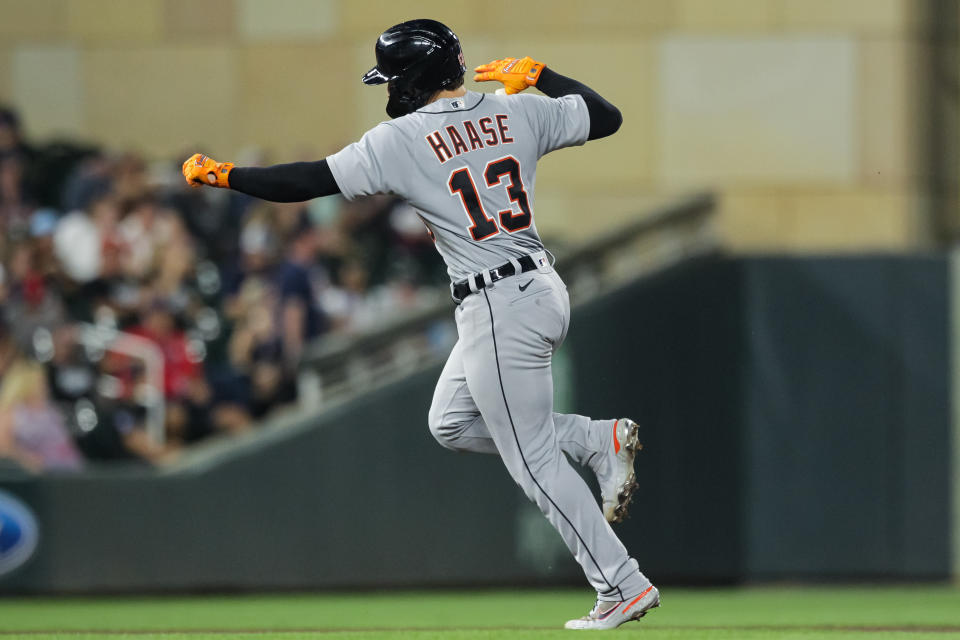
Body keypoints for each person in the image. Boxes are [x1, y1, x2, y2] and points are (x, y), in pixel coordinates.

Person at [182, 19, 658, 630]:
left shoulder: (401, 139)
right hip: (537, 286)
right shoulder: (516, 111)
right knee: (451, 423)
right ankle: (595, 440)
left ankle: (622, 584)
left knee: (534, 461)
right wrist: (541, 76)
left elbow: (306, 180)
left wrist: (225, 176)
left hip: (496, 303)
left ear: (409, 80)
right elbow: (607, 116)